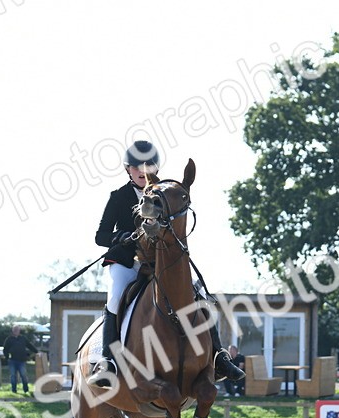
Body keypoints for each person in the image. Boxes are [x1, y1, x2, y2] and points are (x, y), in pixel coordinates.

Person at [89, 139, 244, 388]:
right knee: (116, 295)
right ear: (128, 169)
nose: (142, 170)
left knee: (199, 292)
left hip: (163, 261)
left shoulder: (165, 192)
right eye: (136, 166)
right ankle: (108, 361)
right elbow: (101, 236)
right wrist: (121, 236)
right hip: (129, 262)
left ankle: (219, 356)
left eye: (147, 165)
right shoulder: (118, 197)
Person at [2, 325, 38, 394]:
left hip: (21, 360)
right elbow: (5, 349)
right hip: (12, 360)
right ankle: (14, 390)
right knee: (13, 376)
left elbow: (29, 345)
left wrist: (36, 351)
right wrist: (7, 358)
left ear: (19, 331)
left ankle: (26, 389)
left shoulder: (23, 338)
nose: (16, 331)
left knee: (23, 375)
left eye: (17, 330)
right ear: (12, 331)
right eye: (15, 330)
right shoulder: (9, 339)